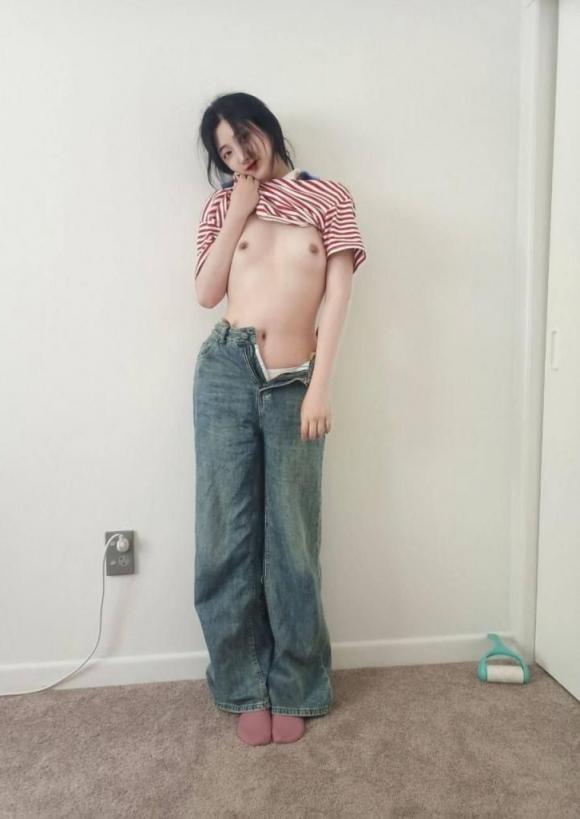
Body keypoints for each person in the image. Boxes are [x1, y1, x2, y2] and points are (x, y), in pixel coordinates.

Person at [192, 92, 366, 746]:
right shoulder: (223, 204)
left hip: (296, 381)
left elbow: (339, 295)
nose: (240, 155)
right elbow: (206, 292)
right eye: (225, 151)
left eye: (244, 138)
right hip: (226, 372)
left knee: (292, 538)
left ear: (266, 127)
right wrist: (238, 208)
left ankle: (297, 683)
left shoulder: (329, 198)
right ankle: (242, 685)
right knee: (225, 538)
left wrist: (321, 387)